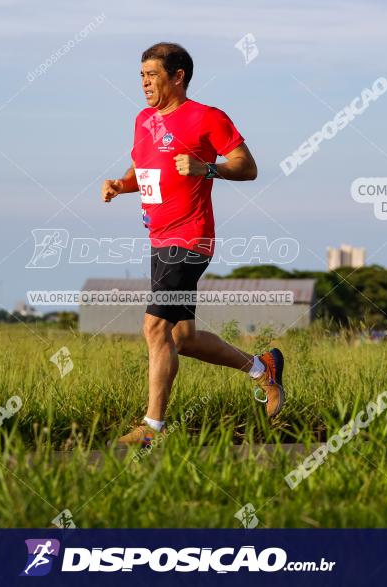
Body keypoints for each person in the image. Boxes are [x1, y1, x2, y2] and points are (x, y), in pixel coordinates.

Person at [101, 42, 285, 447]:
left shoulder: (207, 117)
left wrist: (208, 168)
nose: (145, 82)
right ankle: (263, 368)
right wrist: (122, 185)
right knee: (182, 337)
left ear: (177, 75)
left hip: (190, 235)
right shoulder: (143, 120)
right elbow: (145, 168)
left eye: (152, 74)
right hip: (158, 237)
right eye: (142, 76)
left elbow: (247, 166)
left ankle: (152, 430)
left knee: (154, 327)